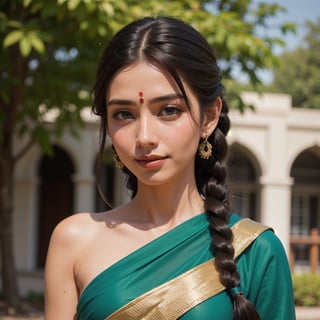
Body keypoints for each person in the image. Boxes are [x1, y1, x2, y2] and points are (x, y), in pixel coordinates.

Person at [44, 16, 296, 320]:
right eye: (124, 114)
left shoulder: (256, 251)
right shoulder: (74, 240)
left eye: (169, 110)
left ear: (209, 116)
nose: (145, 137)